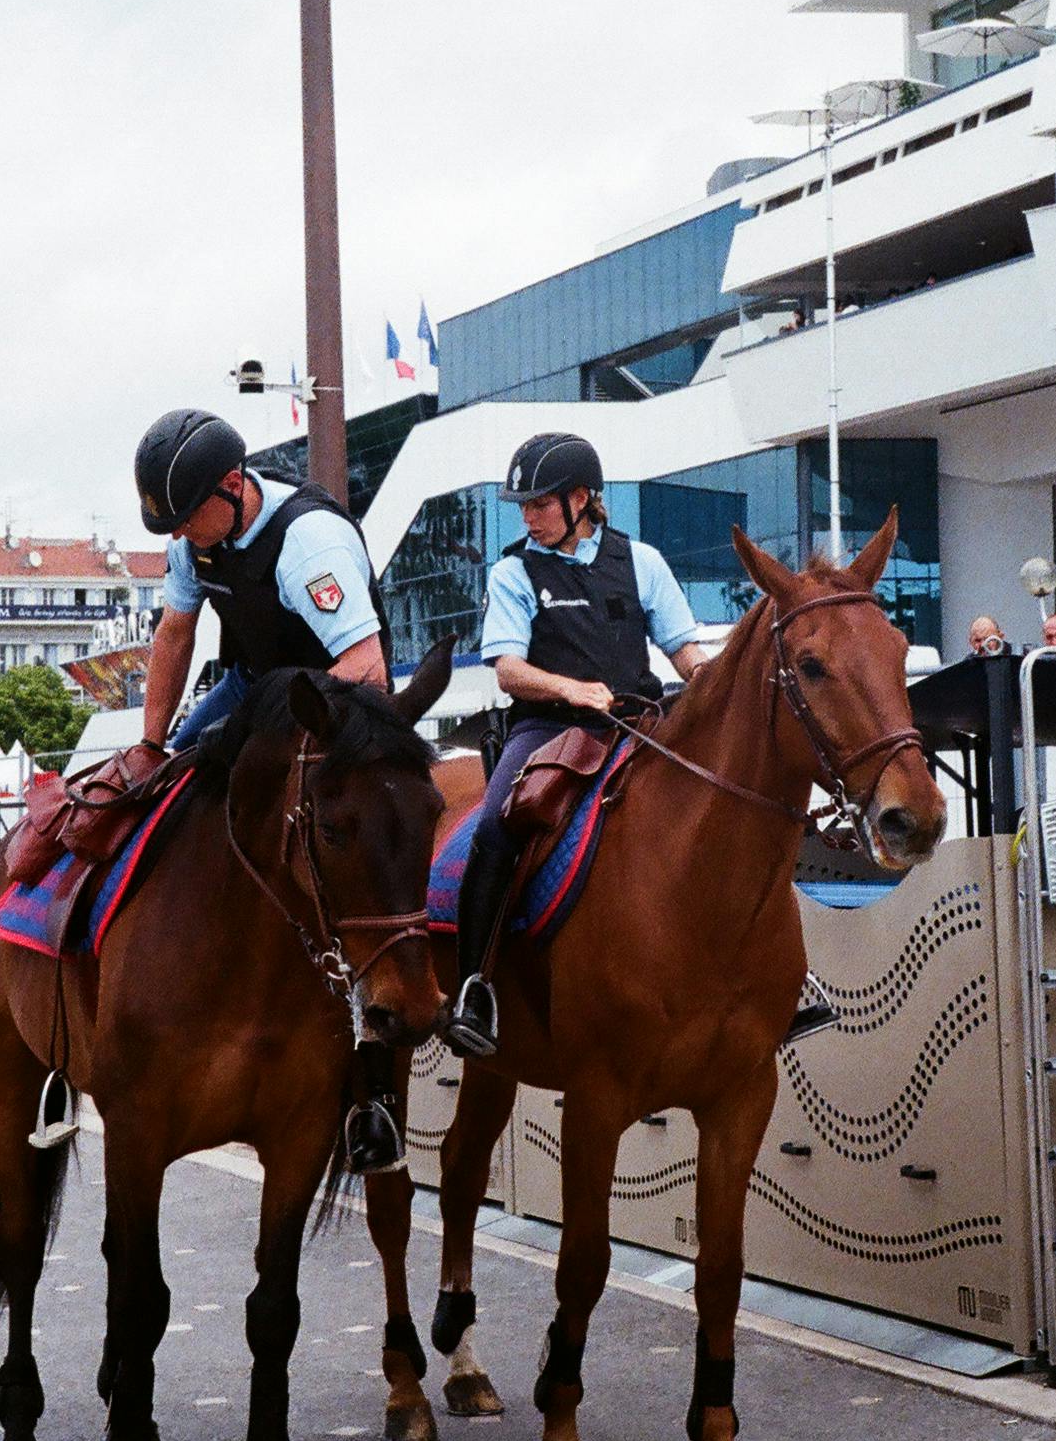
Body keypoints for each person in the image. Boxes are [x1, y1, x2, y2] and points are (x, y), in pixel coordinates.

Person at [446, 431, 706, 1060]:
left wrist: (715, 692)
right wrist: (570, 689)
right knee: (496, 829)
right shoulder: (512, 571)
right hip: (547, 730)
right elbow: (507, 669)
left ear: (581, 499)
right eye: (524, 507)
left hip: (641, 724)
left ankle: (786, 977)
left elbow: (687, 654)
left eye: (539, 503)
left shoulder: (641, 561)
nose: (528, 516)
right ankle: (473, 987)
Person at [132, 409, 389, 752]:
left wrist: (263, 722)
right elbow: (174, 636)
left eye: (187, 518)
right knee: (176, 775)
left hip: (338, 701)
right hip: (253, 684)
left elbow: (369, 668)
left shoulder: (307, 543)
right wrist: (149, 747)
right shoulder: (188, 540)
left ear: (233, 486)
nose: (177, 534)